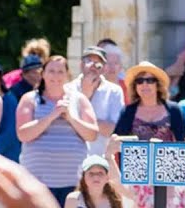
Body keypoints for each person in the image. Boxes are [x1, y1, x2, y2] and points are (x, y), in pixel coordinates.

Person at [18, 54, 99, 204]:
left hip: (73, 182)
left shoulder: (79, 99)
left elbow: (92, 134)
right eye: (51, 71)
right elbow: (23, 134)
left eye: (60, 71)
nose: (56, 76)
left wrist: (71, 118)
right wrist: (52, 115)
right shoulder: (29, 99)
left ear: (68, 75)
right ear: (43, 74)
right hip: (37, 182)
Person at [115, 61, 185, 208]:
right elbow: (117, 142)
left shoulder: (174, 110)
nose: (145, 85)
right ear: (135, 86)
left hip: (168, 173)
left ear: (157, 84)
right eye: (140, 81)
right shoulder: (128, 112)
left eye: (150, 80)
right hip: (137, 174)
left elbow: (183, 143)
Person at [67, 45, 125, 156]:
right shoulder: (69, 88)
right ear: (81, 65)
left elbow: (114, 130)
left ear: (104, 68)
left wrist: (81, 122)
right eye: (88, 61)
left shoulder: (114, 91)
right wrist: (85, 95)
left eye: (98, 63)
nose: (93, 66)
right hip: (73, 157)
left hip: (101, 158)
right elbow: (67, 124)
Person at [64, 154, 133, 208]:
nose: (96, 177)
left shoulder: (116, 199)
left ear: (107, 178)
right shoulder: (74, 199)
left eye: (100, 173)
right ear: (83, 177)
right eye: (91, 173)